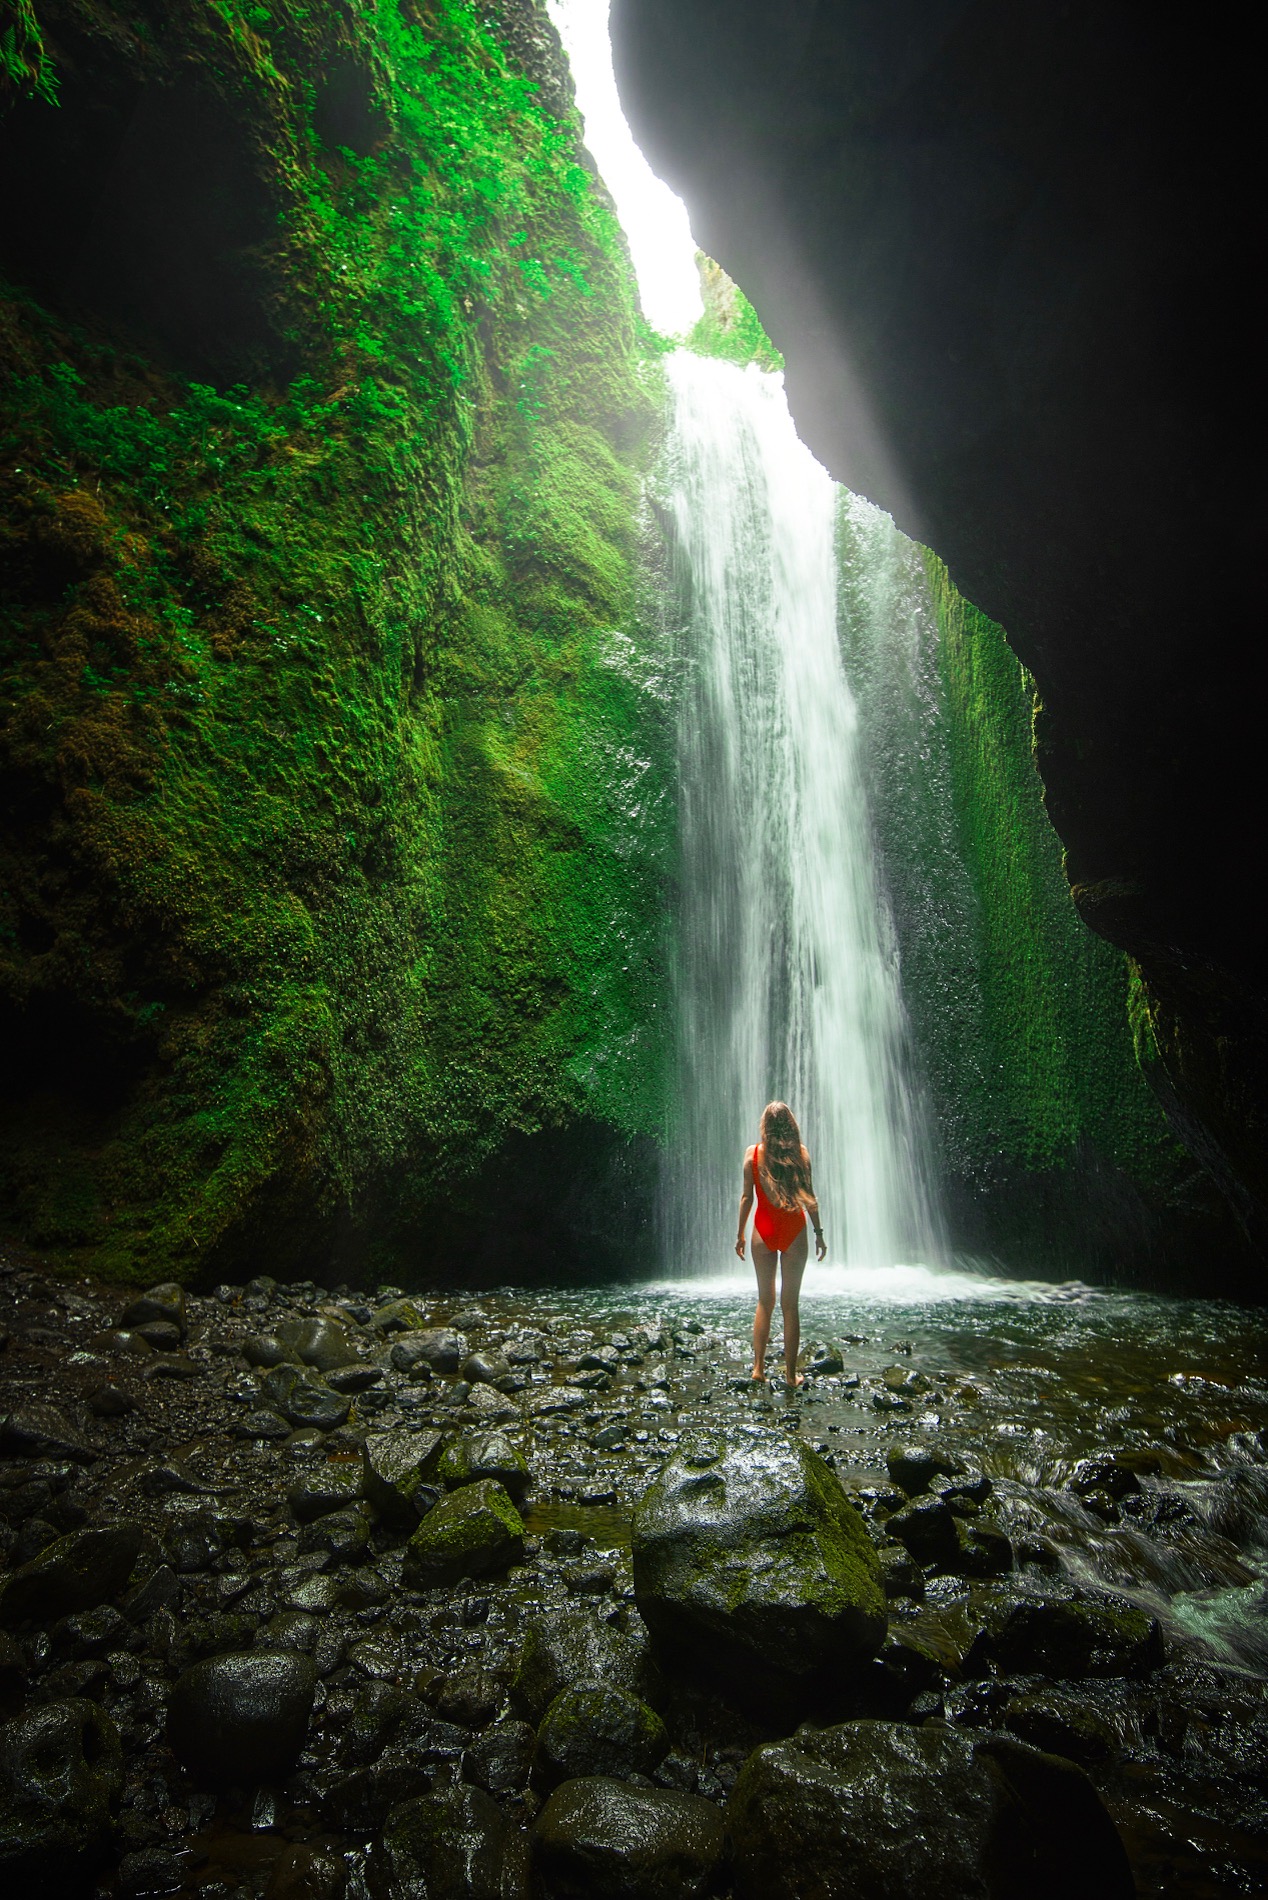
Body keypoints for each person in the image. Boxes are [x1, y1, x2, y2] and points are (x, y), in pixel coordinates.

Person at [735, 1100, 826, 1387]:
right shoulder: (801, 1154)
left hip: (763, 1229)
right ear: (791, 1124)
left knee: (765, 1301)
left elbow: (747, 1197)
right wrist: (819, 1232)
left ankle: (759, 1369)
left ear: (765, 1126)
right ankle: (789, 1376)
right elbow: (809, 1196)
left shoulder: (753, 1153)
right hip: (794, 1229)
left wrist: (739, 1234)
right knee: (790, 1305)